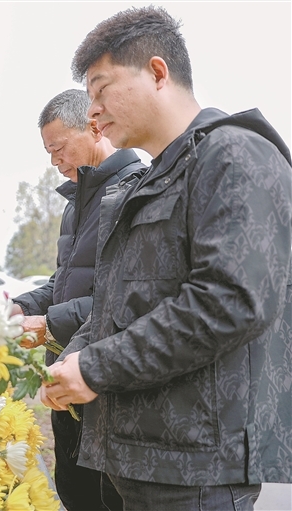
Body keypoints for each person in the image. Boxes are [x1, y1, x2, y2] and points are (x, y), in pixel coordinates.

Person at [40, 7, 292, 510]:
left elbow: (229, 302)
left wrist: (96, 367)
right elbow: (119, 301)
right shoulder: (153, 179)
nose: (93, 113)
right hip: (135, 457)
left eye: (101, 89)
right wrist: (76, 354)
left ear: (157, 73)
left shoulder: (233, 155)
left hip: (195, 468)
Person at [11, 88, 145, 511]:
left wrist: (50, 324)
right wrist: (23, 307)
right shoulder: (75, 204)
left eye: (58, 148)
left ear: (92, 125)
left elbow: (126, 296)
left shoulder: (133, 192)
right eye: (48, 152)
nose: (55, 161)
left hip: (105, 383)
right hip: (65, 374)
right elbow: (66, 280)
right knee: (73, 493)